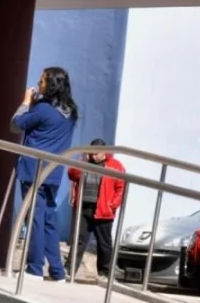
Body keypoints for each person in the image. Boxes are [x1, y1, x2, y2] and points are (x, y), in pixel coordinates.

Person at [11, 67, 79, 282]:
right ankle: (57, 271)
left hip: (33, 169)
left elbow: (16, 124)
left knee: (34, 219)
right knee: (48, 220)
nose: (38, 84)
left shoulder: (43, 110)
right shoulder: (70, 112)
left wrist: (25, 102)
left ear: (51, 85)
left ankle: (35, 267)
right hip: (53, 172)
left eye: (42, 81)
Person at [66, 139, 126, 281]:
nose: (93, 156)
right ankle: (69, 269)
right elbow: (71, 174)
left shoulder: (115, 166)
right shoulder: (84, 162)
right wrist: (83, 162)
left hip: (103, 211)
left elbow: (121, 187)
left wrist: (113, 205)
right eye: (91, 153)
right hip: (84, 208)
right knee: (78, 241)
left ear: (104, 152)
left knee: (104, 243)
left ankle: (105, 273)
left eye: (96, 154)